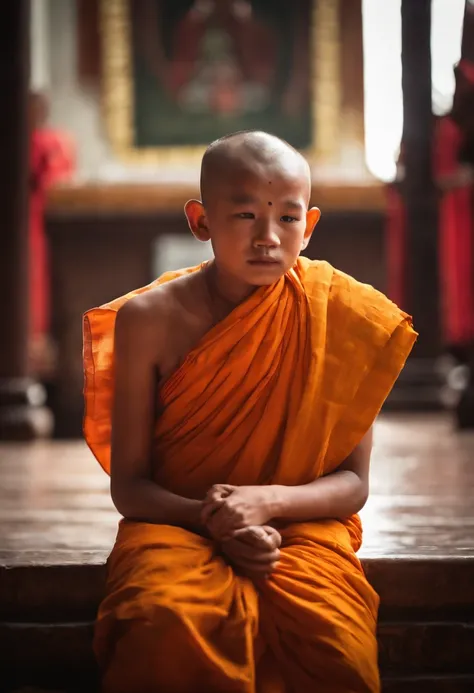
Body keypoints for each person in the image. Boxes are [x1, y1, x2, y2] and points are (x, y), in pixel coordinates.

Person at [83, 131, 416, 692]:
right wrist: (215, 519)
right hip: (176, 525)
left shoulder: (340, 316)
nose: (267, 238)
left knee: (331, 638)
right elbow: (131, 487)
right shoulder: (149, 319)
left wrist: (265, 504)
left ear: (308, 227)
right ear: (201, 220)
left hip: (300, 526)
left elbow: (354, 485)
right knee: (162, 622)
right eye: (243, 215)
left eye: (287, 219)